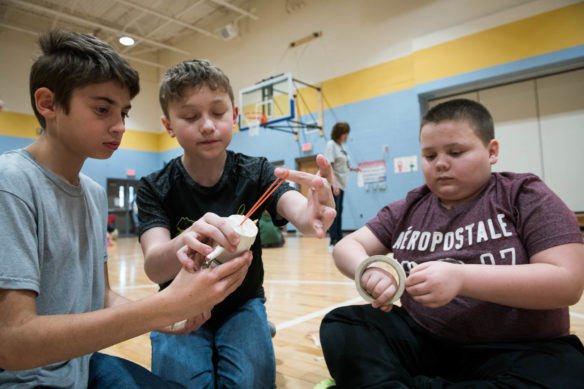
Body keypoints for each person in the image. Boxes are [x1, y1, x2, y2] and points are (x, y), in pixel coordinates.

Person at [0, 31, 251, 388]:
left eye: (124, 112)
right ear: (48, 103)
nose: (119, 126)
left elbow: (100, 296)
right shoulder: (10, 182)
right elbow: (12, 343)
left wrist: (165, 315)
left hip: (82, 366)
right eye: (103, 109)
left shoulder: (91, 191)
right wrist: (163, 306)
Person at [319, 99, 584, 388]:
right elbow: (348, 246)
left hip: (517, 350)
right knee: (344, 324)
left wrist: (462, 277)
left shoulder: (524, 195)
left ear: (492, 151)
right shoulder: (410, 205)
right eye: (429, 156)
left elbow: (567, 282)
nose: (441, 163)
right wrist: (370, 269)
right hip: (424, 340)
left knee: (569, 370)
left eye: (456, 152)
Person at [136, 59, 336, 388]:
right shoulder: (154, 186)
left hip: (241, 302)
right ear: (168, 125)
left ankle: (253, 326)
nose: (208, 125)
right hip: (178, 303)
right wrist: (189, 237)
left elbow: (298, 211)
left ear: (235, 116)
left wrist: (311, 210)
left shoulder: (256, 172)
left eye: (218, 113)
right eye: (189, 116)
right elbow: (156, 268)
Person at [324, 122, 359, 248]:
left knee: (339, 211)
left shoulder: (341, 147)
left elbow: (343, 166)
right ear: (339, 132)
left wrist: (353, 169)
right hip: (335, 184)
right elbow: (330, 166)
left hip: (342, 185)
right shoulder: (331, 145)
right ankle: (333, 239)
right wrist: (334, 185)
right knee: (334, 212)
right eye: (345, 133)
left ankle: (339, 237)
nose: (346, 136)